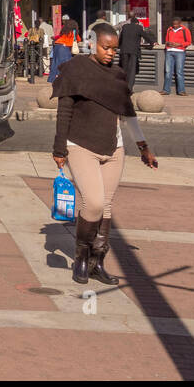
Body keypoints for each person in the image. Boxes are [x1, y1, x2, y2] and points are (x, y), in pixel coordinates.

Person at [52, 25, 159, 285]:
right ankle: (80, 257)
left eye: (114, 48)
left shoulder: (118, 75)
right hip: (80, 145)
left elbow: (128, 114)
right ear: (92, 43)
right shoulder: (76, 69)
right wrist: (59, 148)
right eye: (106, 47)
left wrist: (143, 147)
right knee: (95, 203)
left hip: (115, 149)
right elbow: (64, 110)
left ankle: (97, 262)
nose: (111, 53)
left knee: (107, 206)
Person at [116, 15, 154, 91]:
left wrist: (119, 46)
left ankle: (123, 87)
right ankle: (129, 89)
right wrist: (151, 44)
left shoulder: (125, 27)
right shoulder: (139, 27)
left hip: (124, 51)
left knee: (124, 70)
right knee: (132, 71)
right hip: (133, 51)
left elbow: (120, 39)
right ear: (137, 23)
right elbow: (147, 37)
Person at [162, 15, 192, 96]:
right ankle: (166, 90)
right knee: (168, 71)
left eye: (176, 24)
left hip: (180, 52)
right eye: (173, 24)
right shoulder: (169, 29)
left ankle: (181, 90)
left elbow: (189, 42)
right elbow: (166, 40)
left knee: (179, 72)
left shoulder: (185, 30)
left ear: (180, 23)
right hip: (169, 51)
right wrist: (168, 43)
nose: (175, 26)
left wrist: (179, 44)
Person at [49, 18, 77, 82]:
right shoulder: (73, 31)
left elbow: (59, 36)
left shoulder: (65, 30)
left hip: (57, 46)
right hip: (65, 47)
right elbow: (78, 39)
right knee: (65, 63)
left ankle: (52, 78)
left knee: (55, 63)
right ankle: (63, 78)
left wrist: (54, 37)